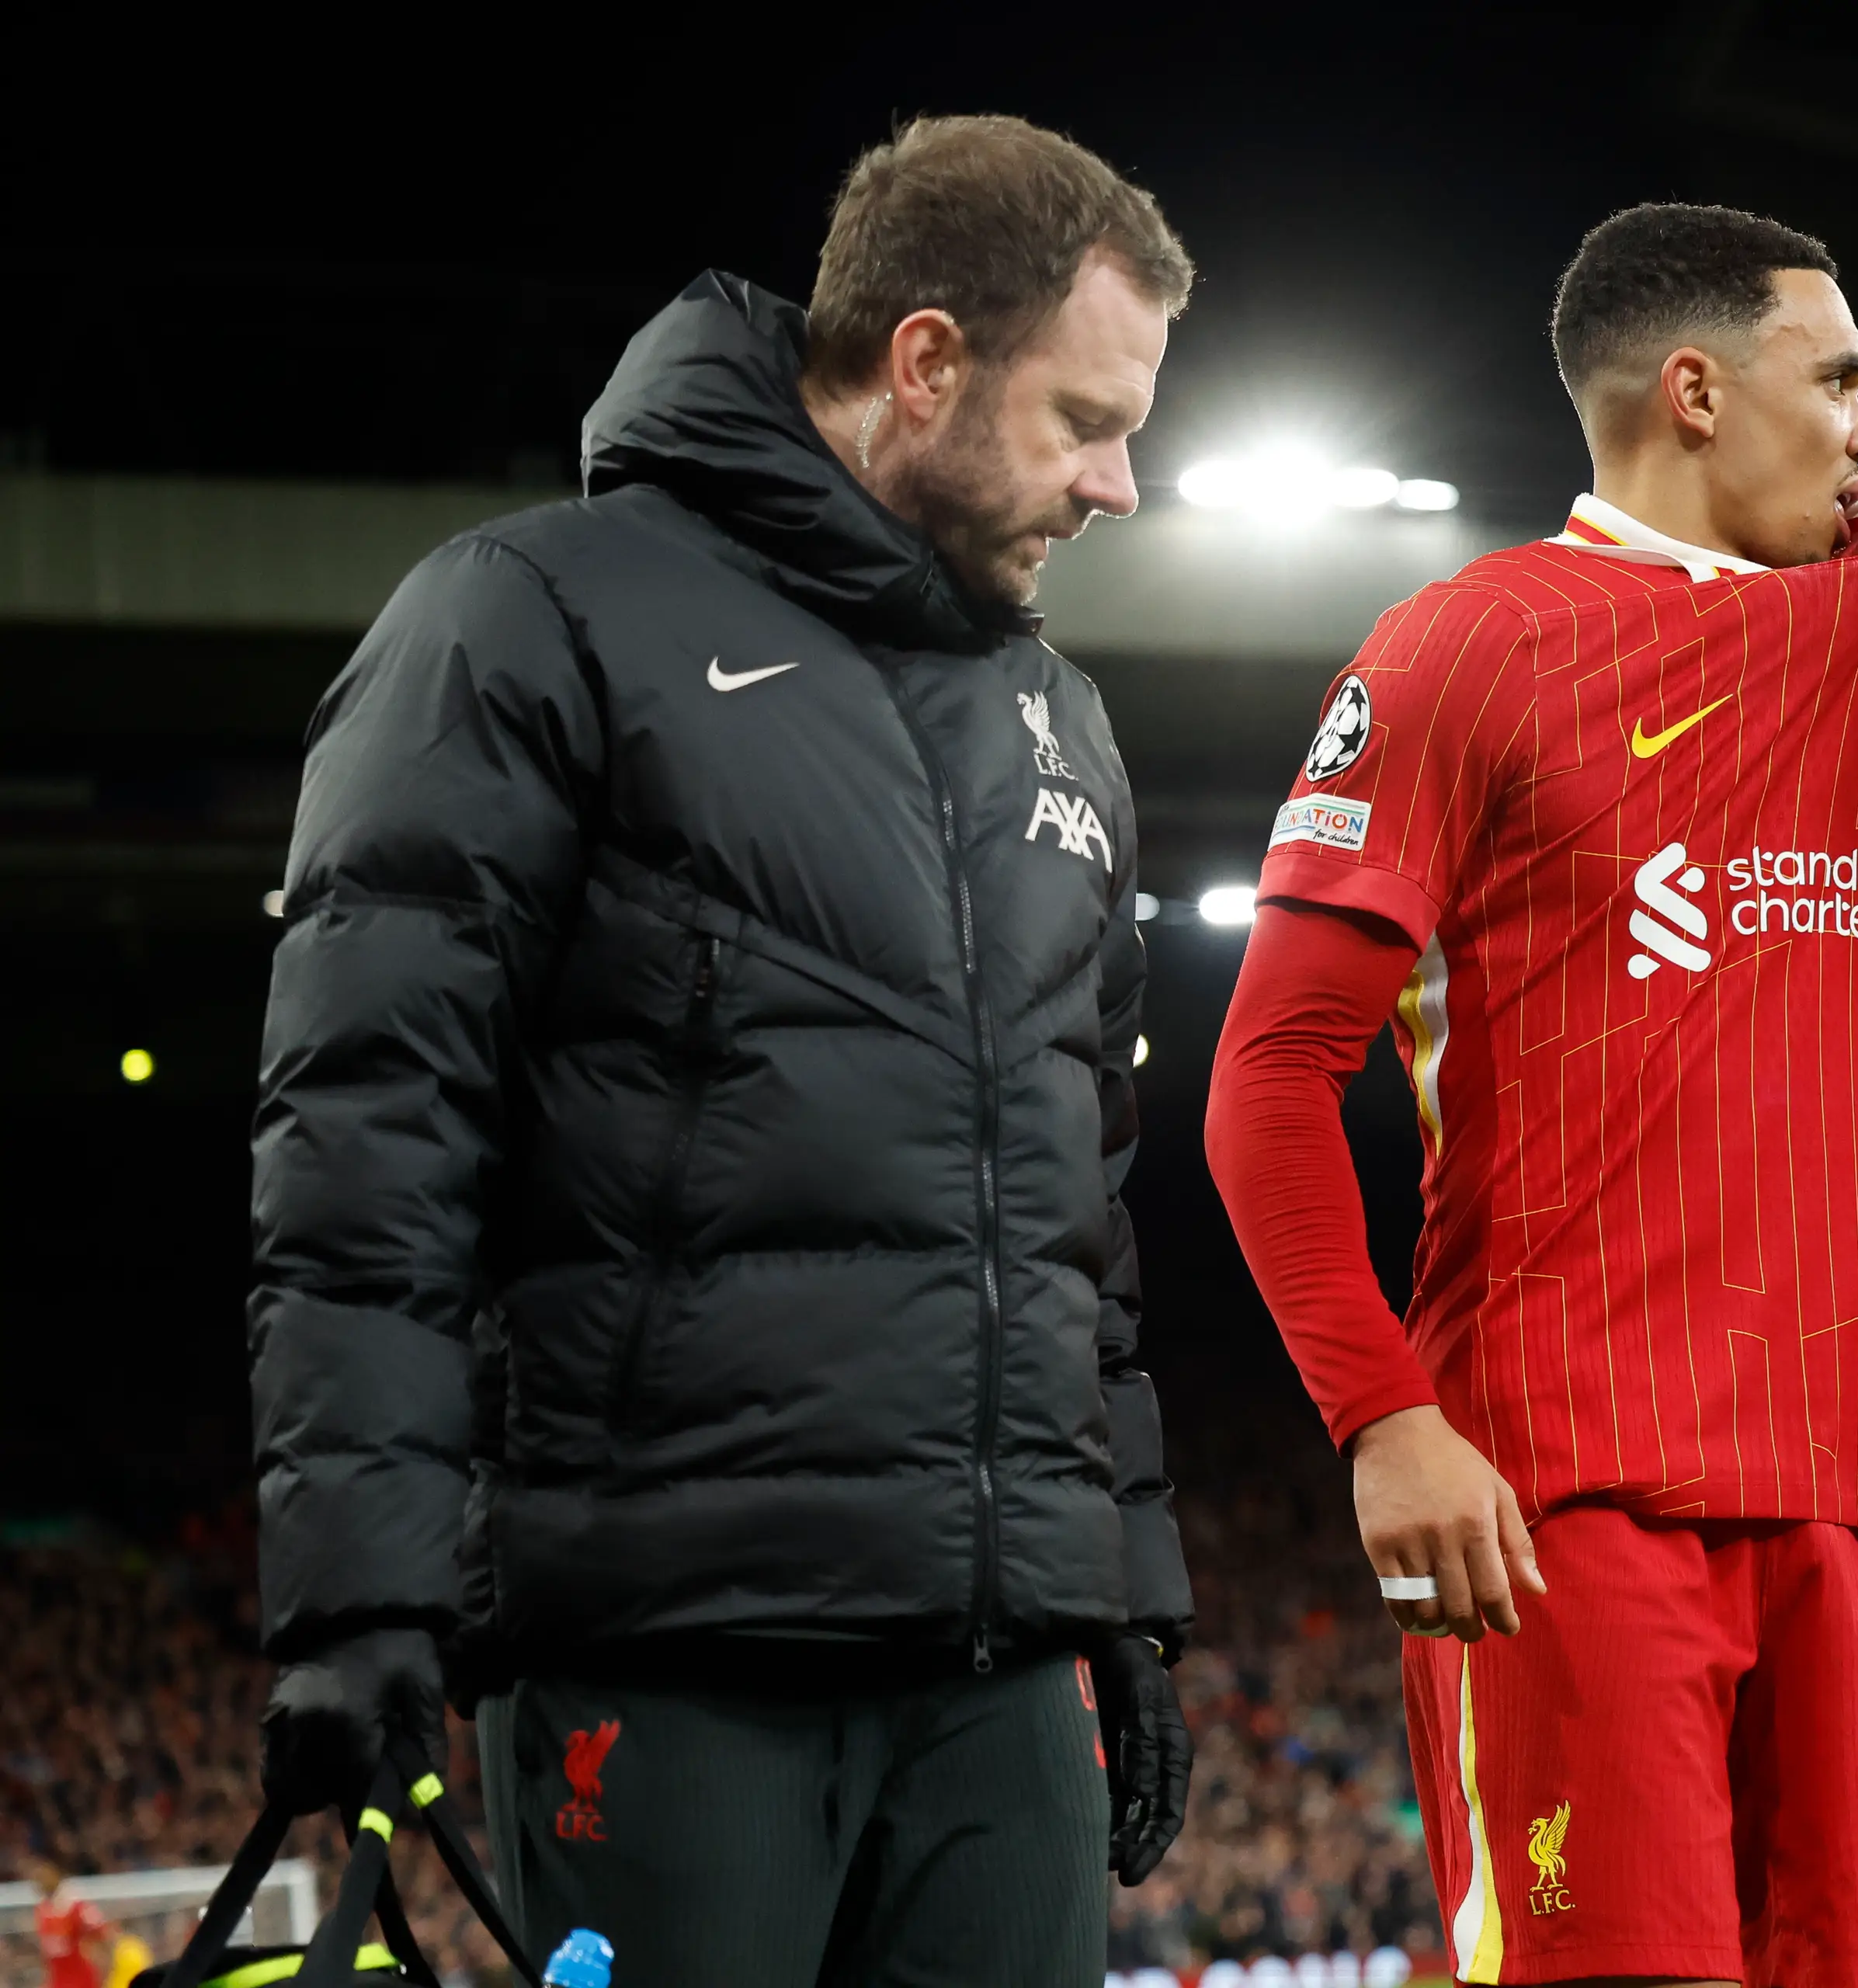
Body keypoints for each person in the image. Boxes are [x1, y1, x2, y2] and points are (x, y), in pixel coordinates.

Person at [249, 116, 1196, 1988]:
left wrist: (1129, 1604)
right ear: (923, 362)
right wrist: (357, 1595)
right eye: (1084, 419)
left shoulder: (1060, 718)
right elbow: (368, 1141)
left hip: (1003, 1682)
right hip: (670, 1664)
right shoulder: (528, 618)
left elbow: (1082, 1212)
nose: (1123, 485)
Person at [1207, 203, 1858, 1986]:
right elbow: (1264, 1075)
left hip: (1854, 1496)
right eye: (1837, 378)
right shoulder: (1466, 645)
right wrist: (1383, 1416)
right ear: (1694, 390)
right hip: (1563, 1501)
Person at [30, 1864, 110, 1988]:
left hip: (81, 1975)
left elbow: (100, 1930)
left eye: (43, 1878)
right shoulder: (42, 1910)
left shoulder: (75, 1906)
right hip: (58, 1977)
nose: (41, 1884)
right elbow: (47, 1950)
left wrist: (101, 1958)